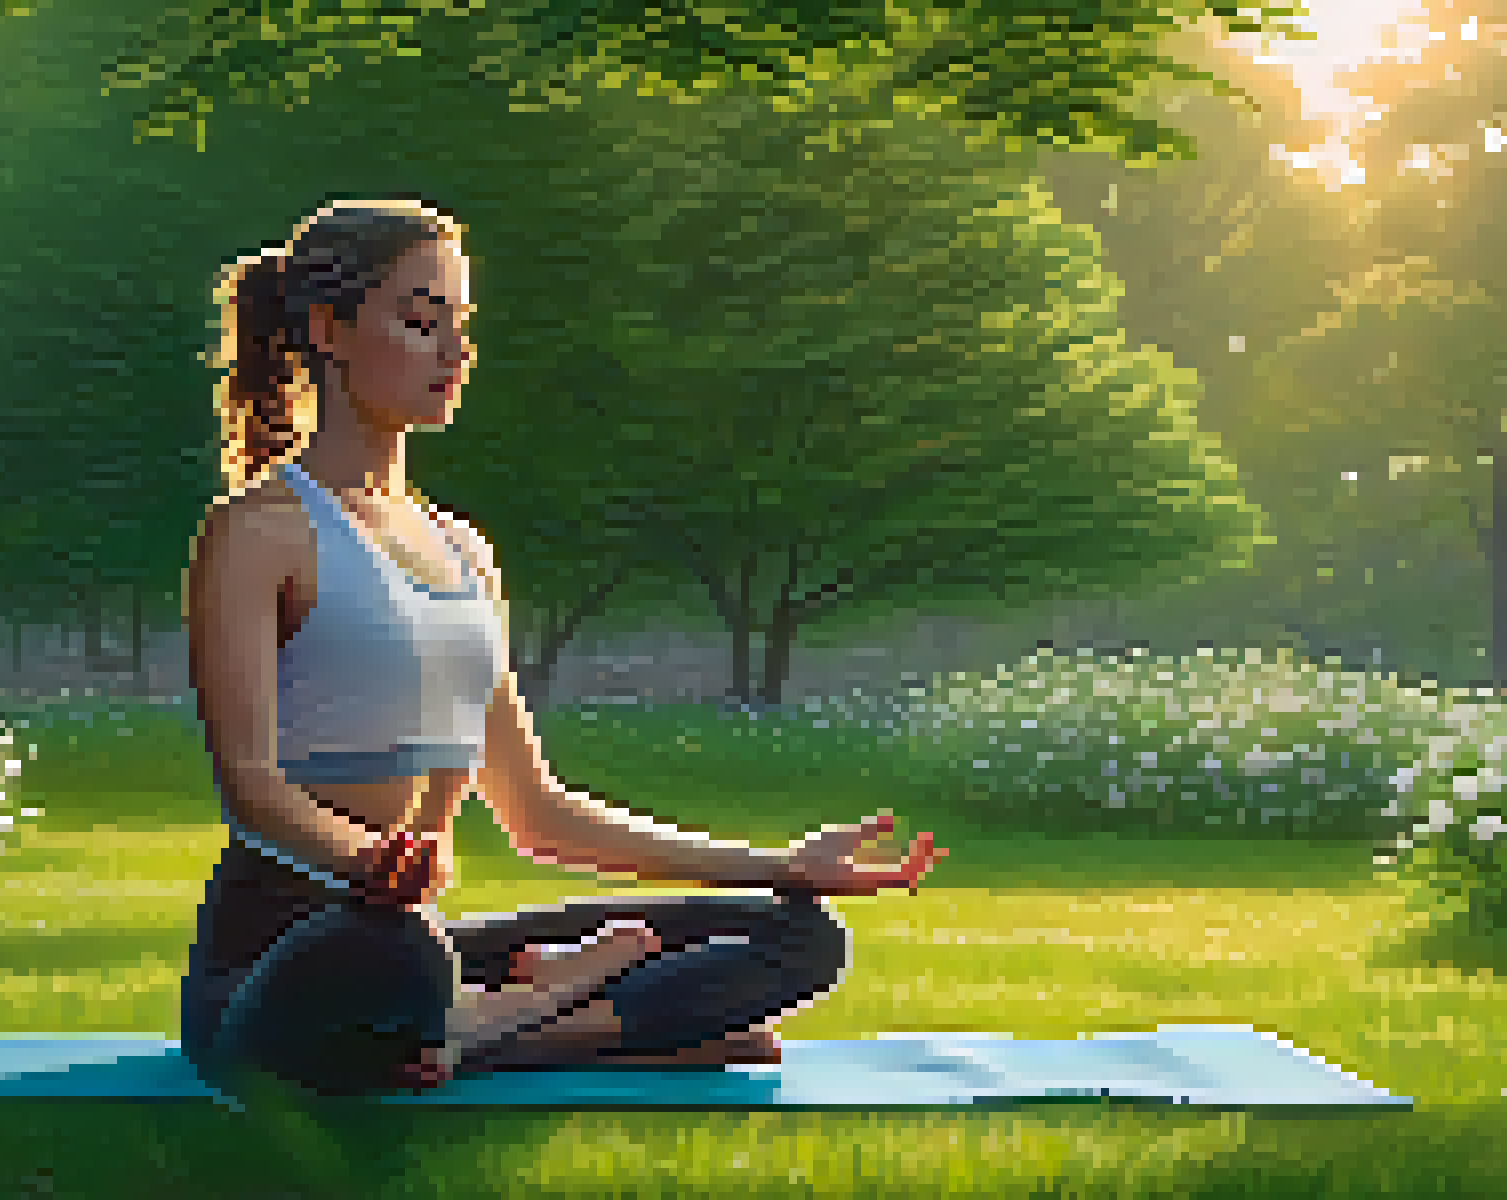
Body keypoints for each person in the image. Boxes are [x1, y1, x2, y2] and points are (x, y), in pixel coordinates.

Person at [179, 198, 949, 1101]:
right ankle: (550, 1016)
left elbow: (537, 813)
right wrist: (364, 866)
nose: (454, 353)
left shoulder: (465, 554)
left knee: (798, 938)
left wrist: (783, 865)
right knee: (395, 950)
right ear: (328, 330)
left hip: (419, 958)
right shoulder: (257, 532)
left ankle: (502, 1028)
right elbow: (251, 787)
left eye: (461, 326)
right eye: (421, 321)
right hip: (292, 966)